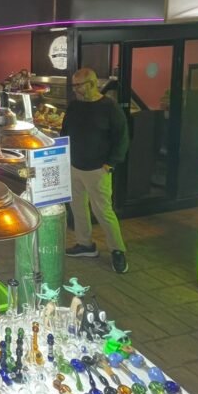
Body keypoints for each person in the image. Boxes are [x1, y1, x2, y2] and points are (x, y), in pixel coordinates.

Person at [61, 67, 130, 273]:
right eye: (73, 85)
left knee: (103, 211)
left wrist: (110, 163)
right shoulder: (74, 107)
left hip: (98, 169)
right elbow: (65, 131)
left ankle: (118, 250)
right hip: (74, 166)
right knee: (78, 208)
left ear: (92, 84)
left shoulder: (110, 107)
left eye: (78, 85)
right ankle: (85, 245)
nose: (74, 90)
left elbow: (122, 138)